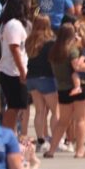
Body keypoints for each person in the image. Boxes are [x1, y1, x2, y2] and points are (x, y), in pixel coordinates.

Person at [46, 23, 85, 158]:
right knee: (81, 119)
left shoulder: (54, 51)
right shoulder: (72, 50)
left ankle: (51, 150)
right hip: (80, 87)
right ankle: (80, 150)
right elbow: (77, 67)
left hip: (62, 88)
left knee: (63, 121)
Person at [0, 0, 30, 133]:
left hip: (11, 70)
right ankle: (6, 135)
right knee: (14, 106)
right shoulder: (14, 25)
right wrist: (22, 71)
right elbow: (14, 49)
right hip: (12, 71)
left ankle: (11, 134)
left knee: (16, 106)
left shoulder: (8, 23)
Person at [25, 14, 59, 153]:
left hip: (32, 77)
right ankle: (56, 140)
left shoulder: (30, 40)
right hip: (47, 77)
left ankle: (41, 140)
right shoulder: (50, 41)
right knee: (55, 111)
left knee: (40, 111)